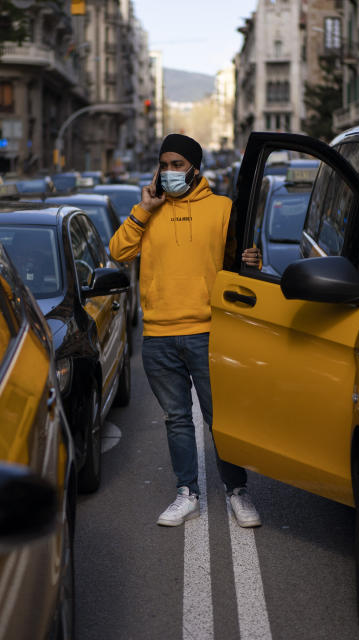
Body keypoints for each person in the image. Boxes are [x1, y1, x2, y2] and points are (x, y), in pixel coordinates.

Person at [109, 134, 262, 528]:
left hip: (209, 331)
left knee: (219, 418)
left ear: (195, 168)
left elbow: (239, 268)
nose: (170, 171)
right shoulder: (147, 211)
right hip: (158, 336)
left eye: (177, 164)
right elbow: (119, 252)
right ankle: (187, 494)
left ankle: (237, 491)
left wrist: (251, 260)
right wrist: (144, 210)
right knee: (176, 419)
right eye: (164, 164)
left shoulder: (223, 209)